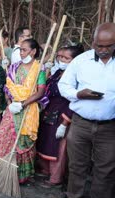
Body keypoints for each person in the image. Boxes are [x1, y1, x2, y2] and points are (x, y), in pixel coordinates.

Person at [58, 23, 115, 198]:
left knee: (105, 167)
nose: (103, 49)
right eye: (99, 45)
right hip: (81, 122)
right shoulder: (81, 61)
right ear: (93, 42)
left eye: (108, 46)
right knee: (77, 163)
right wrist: (78, 94)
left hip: (110, 126)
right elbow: (63, 85)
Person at [0, 39, 46, 184]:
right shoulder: (14, 67)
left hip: (28, 109)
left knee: (23, 141)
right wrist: (11, 103)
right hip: (12, 108)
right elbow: (8, 87)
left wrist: (22, 104)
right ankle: (1, 170)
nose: (21, 53)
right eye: (20, 50)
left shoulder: (39, 69)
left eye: (24, 50)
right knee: (4, 136)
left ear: (33, 51)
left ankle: (20, 176)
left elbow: (40, 92)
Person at [36, 45, 84, 188]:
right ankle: (46, 170)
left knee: (59, 146)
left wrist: (65, 122)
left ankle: (56, 178)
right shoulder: (58, 73)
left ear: (75, 60)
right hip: (50, 111)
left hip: (64, 113)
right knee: (46, 141)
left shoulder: (77, 78)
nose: (61, 60)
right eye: (60, 57)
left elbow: (75, 100)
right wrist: (46, 70)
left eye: (66, 58)